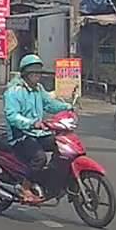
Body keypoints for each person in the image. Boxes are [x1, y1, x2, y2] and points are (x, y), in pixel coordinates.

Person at [4, 54, 72, 203]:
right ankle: (25, 187)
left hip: (38, 133)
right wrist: (31, 123)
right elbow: (12, 115)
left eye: (39, 73)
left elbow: (50, 104)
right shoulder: (14, 91)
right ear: (25, 73)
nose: (37, 76)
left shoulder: (38, 89)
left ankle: (50, 179)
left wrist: (67, 107)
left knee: (62, 146)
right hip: (20, 135)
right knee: (39, 157)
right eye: (34, 73)